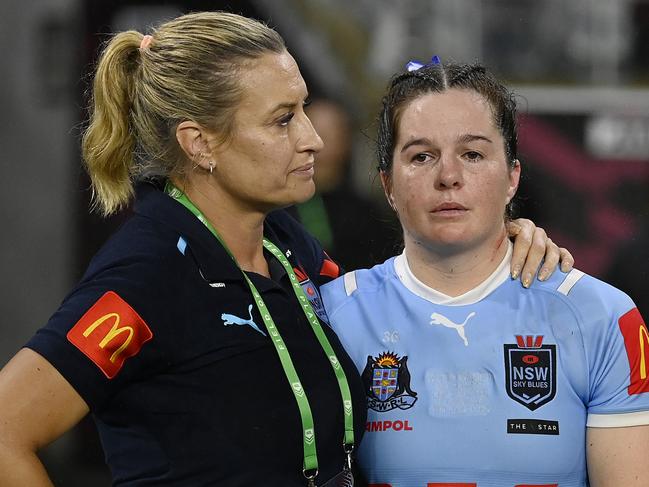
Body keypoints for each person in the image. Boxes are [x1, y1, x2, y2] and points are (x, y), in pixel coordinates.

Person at [0, 12, 569, 487]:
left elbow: (388, 307)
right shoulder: (147, 272)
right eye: (282, 120)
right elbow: (6, 433)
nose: (313, 138)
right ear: (200, 144)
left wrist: (493, 243)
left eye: (303, 109)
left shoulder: (283, 241)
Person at [321, 60, 649, 486]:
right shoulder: (330, 315)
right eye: (422, 156)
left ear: (513, 177)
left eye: (473, 154)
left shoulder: (601, 318)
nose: (449, 177)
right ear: (387, 184)